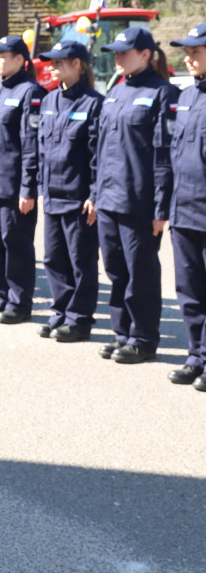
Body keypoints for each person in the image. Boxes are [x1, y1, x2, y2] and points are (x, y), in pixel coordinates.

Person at [95, 27, 178, 364]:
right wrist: (95, 193)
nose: (117, 57)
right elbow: (99, 148)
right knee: (116, 271)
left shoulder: (162, 93)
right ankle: (122, 333)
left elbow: (163, 155)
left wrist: (161, 207)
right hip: (109, 198)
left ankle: (143, 338)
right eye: (114, 52)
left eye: (123, 52)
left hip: (139, 202)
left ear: (145, 54)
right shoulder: (115, 91)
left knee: (140, 273)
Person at [34, 41, 103, 342]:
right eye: (52, 62)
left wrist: (95, 193)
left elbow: (99, 154)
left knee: (81, 260)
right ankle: (60, 312)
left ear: (78, 64)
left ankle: (79, 319)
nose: (53, 66)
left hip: (78, 197)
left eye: (60, 62)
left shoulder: (94, 103)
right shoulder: (49, 101)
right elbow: (40, 150)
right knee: (54, 259)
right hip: (53, 195)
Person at [0, 35, 45, 324]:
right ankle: (1, 296)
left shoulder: (31, 92)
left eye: (2, 55)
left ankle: (19, 302)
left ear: (20, 59)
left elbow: (31, 145)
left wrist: (28, 187)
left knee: (16, 244)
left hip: (14, 186)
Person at [167, 24, 206, 390]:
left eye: (196, 50)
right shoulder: (186, 97)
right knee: (189, 290)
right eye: (186, 50)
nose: (188, 57)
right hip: (184, 213)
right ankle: (196, 356)